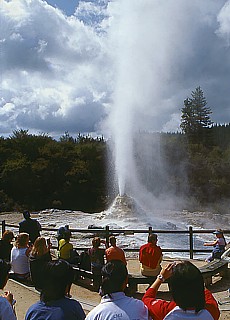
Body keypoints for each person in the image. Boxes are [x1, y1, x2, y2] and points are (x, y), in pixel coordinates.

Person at [142, 260, 220, 320]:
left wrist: (161, 277)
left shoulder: (166, 311)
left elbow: (146, 299)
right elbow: (203, 290)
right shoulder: (212, 310)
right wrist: (194, 278)